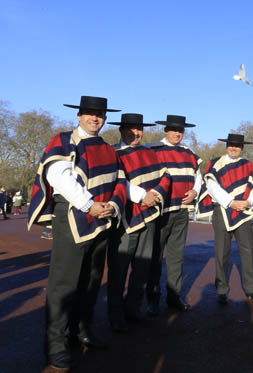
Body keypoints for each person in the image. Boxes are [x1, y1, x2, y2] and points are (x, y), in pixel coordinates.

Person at [27, 95, 125, 370]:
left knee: (91, 281)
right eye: (90, 113)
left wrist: (112, 206)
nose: (95, 118)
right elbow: (59, 177)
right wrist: (89, 204)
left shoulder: (108, 149)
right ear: (79, 116)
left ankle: (82, 331)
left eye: (100, 114)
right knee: (64, 284)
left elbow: (119, 181)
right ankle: (55, 345)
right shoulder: (64, 140)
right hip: (72, 217)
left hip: (101, 218)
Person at [107, 113, 171, 333]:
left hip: (150, 215)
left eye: (139, 129)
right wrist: (141, 196)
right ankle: (115, 314)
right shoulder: (112, 153)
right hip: (124, 219)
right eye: (131, 129)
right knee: (119, 268)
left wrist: (155, 193)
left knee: (142, 267)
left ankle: (133, 308)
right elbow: (116, 181)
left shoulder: (150, 153)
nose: (136, 133)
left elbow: (165, 176)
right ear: (121, 130)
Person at [196, 133, 253, 305]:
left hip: (244, 212)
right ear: (227, 146)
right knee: (221, 252)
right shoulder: (215, 163)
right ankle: (222, 290)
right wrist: (231, 202)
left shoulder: (248, 165)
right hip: (223, 211)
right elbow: (211, 187)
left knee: (247, 252)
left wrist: (248, 202)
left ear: (242, 148)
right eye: (232, 145)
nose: (234, 148)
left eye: (238, 146)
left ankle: (251, 289)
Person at [147, 115, 202, 314]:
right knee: (154, 257)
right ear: (166, 130)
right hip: (160, 212)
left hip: (181, 211)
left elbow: (199, 176)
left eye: (181, 131)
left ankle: (174, 296)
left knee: (176, 257)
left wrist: (195, 191)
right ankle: (152, 298)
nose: (177, 133)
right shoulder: (152, 149)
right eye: (173, 130)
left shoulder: (189, 152)